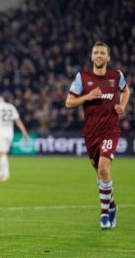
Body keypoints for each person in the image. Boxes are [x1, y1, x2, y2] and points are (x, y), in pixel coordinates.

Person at [66, 41, 130, 229]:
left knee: (103, 168)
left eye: (103, 52)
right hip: (90, 133)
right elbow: (69, 103)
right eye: (96, 52)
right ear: (92, 56)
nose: (99, 55)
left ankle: (104, 215)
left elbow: (126, 91)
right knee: (100, 174)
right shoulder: (82, 77)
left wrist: (122, 106)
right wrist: (87, 97)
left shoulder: (116, 76)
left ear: (108, 57)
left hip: (110, 130)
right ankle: (112, 206)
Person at [0, 95, 29, 182]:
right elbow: (18, 120)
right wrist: (24, 131)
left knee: (2, 154)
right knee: (2, 154)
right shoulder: (11, 107)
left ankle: (6, 175)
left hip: (0, 132)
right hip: (10, 133)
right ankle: (0, 174)